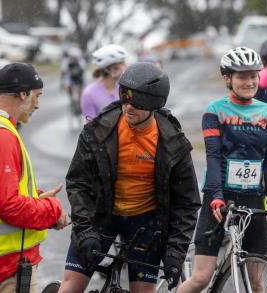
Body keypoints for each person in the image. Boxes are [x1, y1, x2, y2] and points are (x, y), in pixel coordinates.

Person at [59, 62, 201, 293]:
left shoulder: (172, 142)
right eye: (124, 97)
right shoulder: (98, 130)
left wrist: (176, 251)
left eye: (137, 101)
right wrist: (84, 231)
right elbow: (78, 183)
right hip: (101, 217)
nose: (128, 106)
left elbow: (187, 203)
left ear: (155, 102)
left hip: (145, 224)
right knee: (70, 287)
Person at [177, 47, 267, 293]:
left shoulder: (266, 112)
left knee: (257, 284)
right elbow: (213, 156)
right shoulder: (215, 111)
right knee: (201, 278)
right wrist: (215, 197)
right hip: (220, 197)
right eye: (241, 76)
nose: (249, 81)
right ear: (227, 79)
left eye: (253, 76)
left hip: (253, 199)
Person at [0, 63, 69, 292]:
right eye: (37, 96)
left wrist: (35, 197)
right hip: (8, 261)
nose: (37, 104)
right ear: (23, 94)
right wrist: (52, 210)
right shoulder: (2, 137)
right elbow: (8, 205)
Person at [80, 44, 128, 120]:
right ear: (113, 68)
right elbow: (89, 127)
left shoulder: (125, 88)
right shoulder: (89, 94)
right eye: (123, 63)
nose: (126, 67)